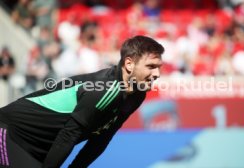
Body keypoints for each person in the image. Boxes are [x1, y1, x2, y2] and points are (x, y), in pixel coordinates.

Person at [0, 35, 164, 168]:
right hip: (12, 133)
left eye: (159, 67)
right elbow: (68, 136)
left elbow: (101, 139)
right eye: (151, 66)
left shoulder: (137, 94)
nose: (157, 73)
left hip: (40, 148)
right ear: (129, 64)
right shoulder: (104, 90)